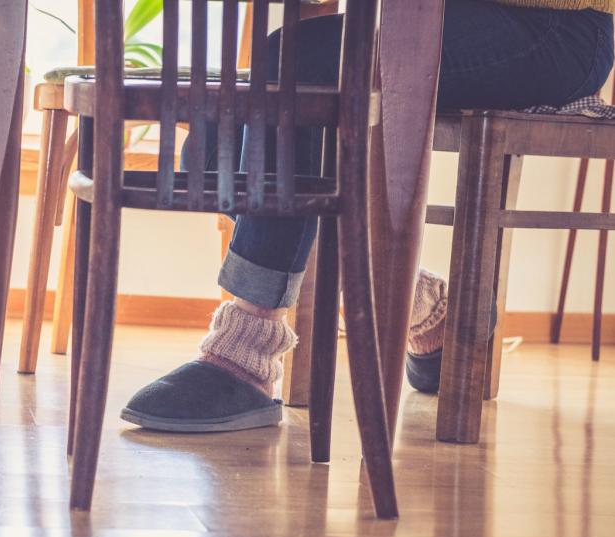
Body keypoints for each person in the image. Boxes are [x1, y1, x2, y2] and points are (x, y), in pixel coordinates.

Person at [121, 0, 615, 433]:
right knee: (223, 128)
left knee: (298, 62)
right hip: (441, 17)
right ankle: (422, 302)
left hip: (557, 29)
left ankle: (247, 350)